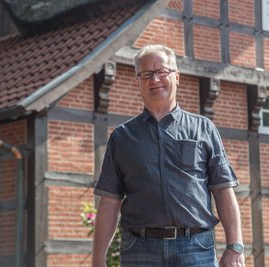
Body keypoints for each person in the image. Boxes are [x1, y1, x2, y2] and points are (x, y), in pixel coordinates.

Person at [92, 44, 245, 267]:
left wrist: (235, 247)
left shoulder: (203, 129)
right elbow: (109, 201)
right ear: (139, 81)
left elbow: (223, 189)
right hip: (139, 251)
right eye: (147, 74)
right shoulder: (122, 137)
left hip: (195, 248)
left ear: (177, 76)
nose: (155, 80)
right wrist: (98, 261)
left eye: (162, 71)